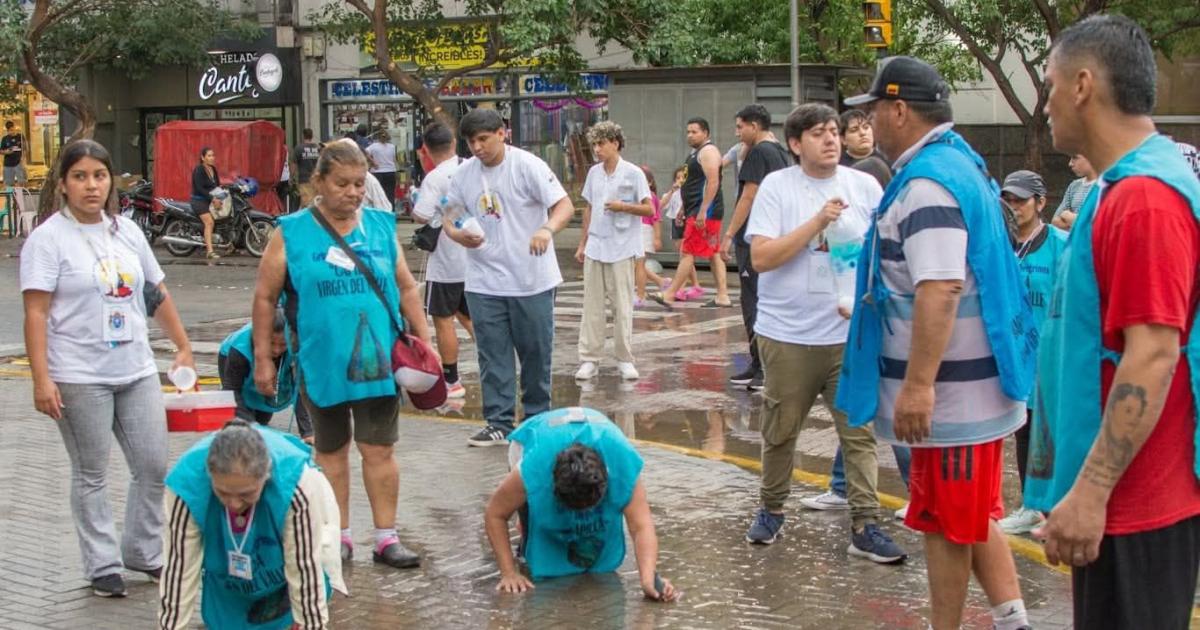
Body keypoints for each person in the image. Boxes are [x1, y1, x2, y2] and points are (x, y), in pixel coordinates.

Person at [839, 56, 1036, 630]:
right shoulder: (955, 163)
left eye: (874, 108)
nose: (869, 120)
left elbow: (941, 286)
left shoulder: (928, 185)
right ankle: (1013, 621)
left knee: (950, 526)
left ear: (900, 110)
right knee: (970, 516)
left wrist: (919, 387)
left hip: (952, 397)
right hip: (966, 396)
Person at [1025, 15, 1200, 630]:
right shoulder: (1117, 189)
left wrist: (1093, 493)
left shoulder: (1144, 200)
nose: (1045, 104)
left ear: (1082, 85)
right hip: (1124, 501)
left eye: (1049, 85)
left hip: (1137, 505)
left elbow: (1152, 354)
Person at [21, 139, 195, 597]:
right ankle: (102, 565)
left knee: (152, 464)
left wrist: (182, 345)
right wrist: (42, 379)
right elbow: (36, 313)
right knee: (92, 472)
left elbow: (156, 292)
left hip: (135, 367)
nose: (91, 186)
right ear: (63, 184)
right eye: (79, 177)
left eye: (99, 176)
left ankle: (143, 551)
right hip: (78, 374)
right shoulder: (48, 240)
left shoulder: (127, 232)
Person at [252, 139, 432, 569]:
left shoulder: (381, 227)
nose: (353, 193)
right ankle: (339, 535)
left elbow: (407, 287)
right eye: (343, 184)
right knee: (331, 451)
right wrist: (262, 358)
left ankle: (386, 537)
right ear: (319, 182)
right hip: (321, 362)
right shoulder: (290, 232)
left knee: (379, 449)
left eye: (359, 184)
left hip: (379, 363)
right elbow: (265, 297)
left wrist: (423, 343)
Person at [741, 103, 906, 566]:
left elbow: (886, 250)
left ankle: (865, 525)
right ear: (795, 144)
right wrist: (818, 222)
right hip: (788, 334)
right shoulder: (778, 187)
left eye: (834, 131)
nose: (831, 139)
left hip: (848, 334)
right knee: (780, 430)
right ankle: (772, 509)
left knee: (858, 433)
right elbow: (762, 258)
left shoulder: (864, 186)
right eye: (818, 133)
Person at [441, 108, 574, 447]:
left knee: (535, 353)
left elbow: (564, 206)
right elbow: (450, 215)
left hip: (531, 279)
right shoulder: (463, 174)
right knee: (492, 354)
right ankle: (498, 421)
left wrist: (546, 229)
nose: (477, 147)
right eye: (471, 142)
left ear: (502, 134)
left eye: (483, 139)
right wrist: (458, 235)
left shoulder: (527, 166)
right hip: (484, 280)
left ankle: (535, 419)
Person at [157, 421, 347, 629]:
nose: (235, 504)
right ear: (209, 476)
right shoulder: (186, 487)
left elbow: (304, 566)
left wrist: (309, 623)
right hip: (226, 580)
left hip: (282, 568)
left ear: (266, 477)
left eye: (246, 494)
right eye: (223, 492)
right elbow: (179, 571)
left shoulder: (297, 484)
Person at [483, 407, 678, 601]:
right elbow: (495, 514)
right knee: (528, 526)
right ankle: (527, 530)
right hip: (539, 436)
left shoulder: (621, 462)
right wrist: (508, 572)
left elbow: (641, 525)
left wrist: (648, 578)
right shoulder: (531, 468)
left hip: (597, 434)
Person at [989, 170, 1067, 536]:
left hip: (1051, 354)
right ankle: (1031, 505)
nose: (1013, 207)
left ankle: (1056, 505)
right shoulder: (999, 245)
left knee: (1052, 431)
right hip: (1012, 354)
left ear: (1041, 202)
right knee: (1022, 429)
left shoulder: (1060, 244)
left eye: (1020, 200)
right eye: (1008, 200)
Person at [573, 121, 653, 382]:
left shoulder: (633, 173)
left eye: (601, 144)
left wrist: (623, 207)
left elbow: (650, 209)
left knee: (622, 305)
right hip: (596, 246)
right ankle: (589, 358)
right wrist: (582, 243)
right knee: (592, 306)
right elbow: (588, 208)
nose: (597, 149)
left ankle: (624, 358)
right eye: (594, 144)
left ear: (615, 143)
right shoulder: (594, 173)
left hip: (622, 246)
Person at [721, 104, 791, 392]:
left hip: (754, 238)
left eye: (740, 127)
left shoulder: (760, 152)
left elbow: (748, 196)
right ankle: (758, 364)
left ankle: (763, 367)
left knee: (753, 304)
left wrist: (729, 234)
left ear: (754, 125)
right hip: (771, 236)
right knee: (761, 300)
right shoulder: (780, 152)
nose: (737, 133)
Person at [411, 121, 473, 399]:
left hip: (447, 262)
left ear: (425, 149)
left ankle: (452, 380)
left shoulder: (435, 178)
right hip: (475, 259)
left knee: (444, 319)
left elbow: (421, 215)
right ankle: (498, 365)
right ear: (454, 143)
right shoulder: (471, 167)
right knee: (472, 317)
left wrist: (415, 198)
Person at [654, 117, 731, 308]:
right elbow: (692, 184)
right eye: (688, 132)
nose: (690, 135)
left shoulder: (708, 152)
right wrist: (683, 208)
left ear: (706, 133)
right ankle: (722, 295)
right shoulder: (696, 153)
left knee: (687, 252)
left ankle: (670, 293)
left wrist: (702, 211)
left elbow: (713, 182)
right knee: (713, 253)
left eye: (694, 132)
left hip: (704, 213)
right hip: (697, 211)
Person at [218, 309, 313, 441]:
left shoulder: (296, 344)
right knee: (245, 428)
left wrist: (307, 432)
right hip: (231, 358)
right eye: (271, 343)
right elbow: (232, 390)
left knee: (262, 419)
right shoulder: (239, 349)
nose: (276, 350)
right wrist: (250, 424)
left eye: (283, 344)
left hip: (271, 374)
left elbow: (300, 388)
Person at [658, 166, 702, 301]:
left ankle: (681, 288)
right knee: (684, 256)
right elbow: (660, 205)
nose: (680, 180)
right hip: (676, 223)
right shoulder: (673, 193)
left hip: (687, 221)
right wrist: (672, 190)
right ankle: (696, 285)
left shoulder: (691, 192)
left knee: (685, 255)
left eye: (683, 177)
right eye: (678, 178)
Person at [633, 164, 668, 307]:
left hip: (644, 231)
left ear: (650, 182)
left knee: (639, 265)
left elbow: (656, 219)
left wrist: (657, 238)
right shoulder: (637, 196)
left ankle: (641, 295)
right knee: (636, 265)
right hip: (636, 231)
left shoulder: (650, 197)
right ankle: (661, 282)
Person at [190, 147, 222, 259]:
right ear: (203, 158)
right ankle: (210, 251)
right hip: (199, 200)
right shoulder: (199, 170)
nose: (212, 158)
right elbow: (199, 188)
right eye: (209, 155)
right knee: (209, 222)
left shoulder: (213, 169)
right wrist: (213, 199)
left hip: (210, 199)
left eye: (213, 155)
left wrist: (222, 194)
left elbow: (217, 185)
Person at [1051, 154, 1097, 230]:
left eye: (1075, 158)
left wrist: (1067, 215)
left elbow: (1101, 225)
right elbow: (1055, 221)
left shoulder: (1107, 186)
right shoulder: (1074, 185)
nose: (1070, 164)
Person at [366, 130, 398, 211]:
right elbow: (394, 159)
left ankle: (380, 211)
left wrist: (373, 162)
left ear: (378, 137)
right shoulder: (392, 147)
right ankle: (391, 212)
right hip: (390, 171)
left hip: (377, 172)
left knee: (378, 195)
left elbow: (364, 152)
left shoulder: (373, 146)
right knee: (390, 194)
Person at [292, 128, 321, 207]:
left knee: (306, 203)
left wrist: (291, 177)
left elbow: (294, 164)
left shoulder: (299, 148)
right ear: (312, 136)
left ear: (303, 136)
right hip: (315, 180)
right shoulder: (317, 148)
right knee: (313, 202)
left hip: (304, 180)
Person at [2, 120, 26, 188]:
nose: (11, 132)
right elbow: (1, 151)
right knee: (8, 184)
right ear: (7, 130)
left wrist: (23, 159)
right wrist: (6, 152)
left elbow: (24, 149)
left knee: (21, 182)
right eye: (9, 130)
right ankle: (9, 195)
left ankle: (20, 194)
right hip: (8, 164)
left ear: (14, 127)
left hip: (19, 163)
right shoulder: (5, 139)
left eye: (12, 129)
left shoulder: (20, 137)